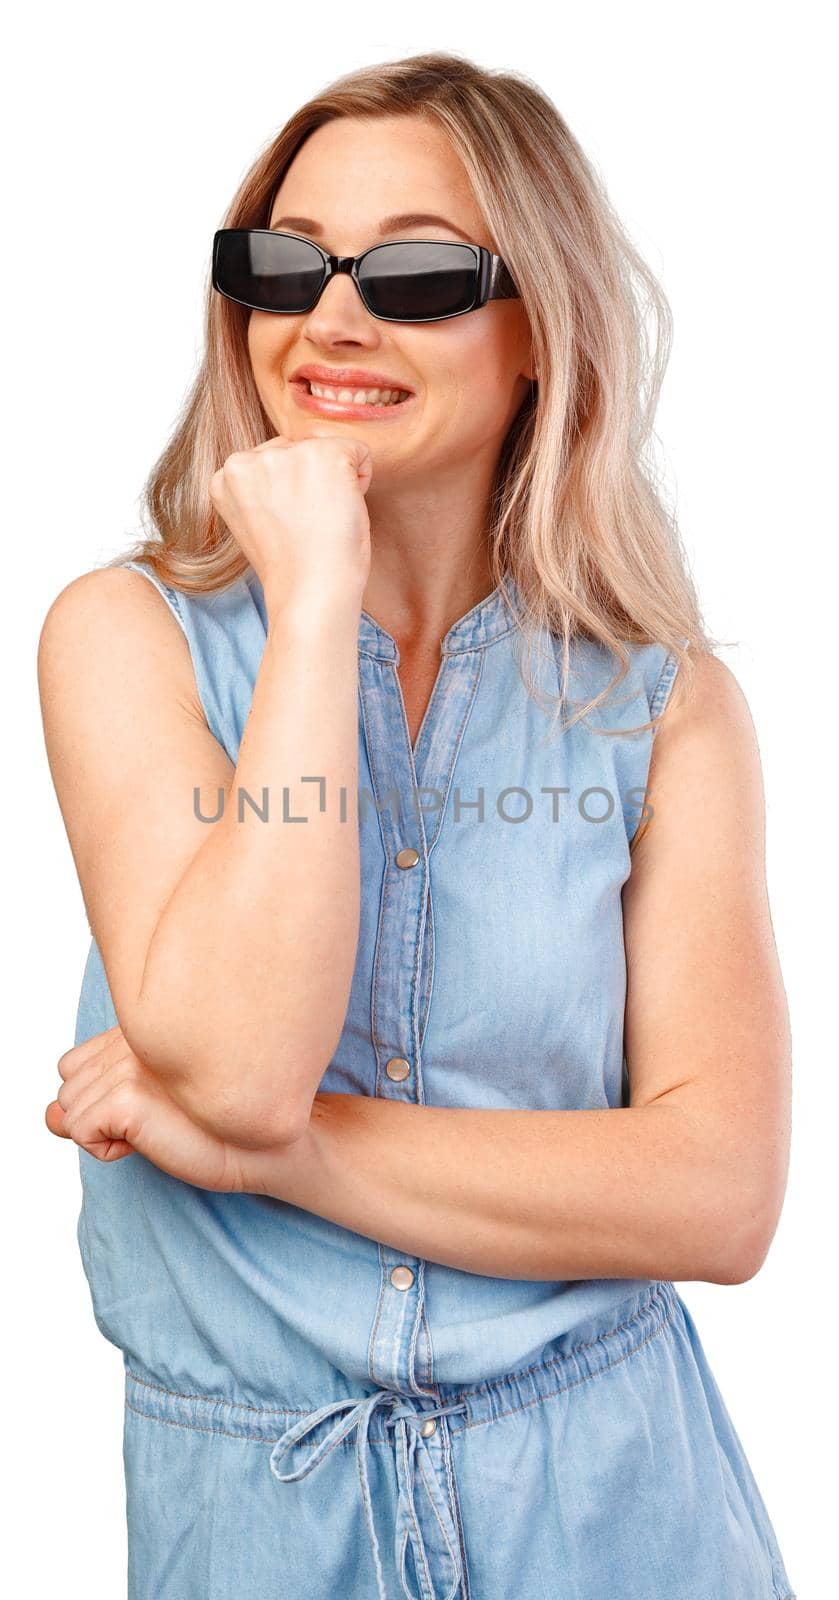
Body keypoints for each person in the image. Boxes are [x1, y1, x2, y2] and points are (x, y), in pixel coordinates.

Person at [37, 50, 796, 1600]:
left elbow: (719, 1196)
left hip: (620, 1518)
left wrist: (283, 1159)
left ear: (541, 331)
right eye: (285, 264)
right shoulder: (123, 639)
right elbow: (243, 1061)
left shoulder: (668, 708)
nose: (331, 318)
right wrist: (318, 601)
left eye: (417, 273)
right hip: (260, 1534)